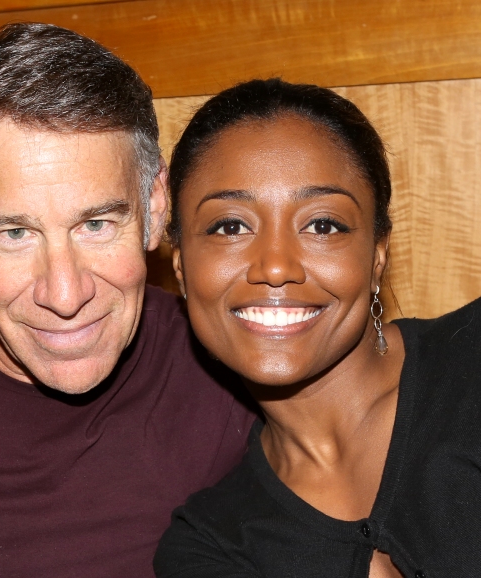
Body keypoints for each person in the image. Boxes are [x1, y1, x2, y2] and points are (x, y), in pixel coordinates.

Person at [0, 23, 255, 577]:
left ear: (154, 206)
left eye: (96, 224)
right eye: (14, 234)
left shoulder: (234, 373)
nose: (64, 294)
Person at [154, 78, 481, 578]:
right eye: (230, 226)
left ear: (377, 255)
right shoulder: (211, 547)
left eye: (323, 225)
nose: (276, 266)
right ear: (180, 266)